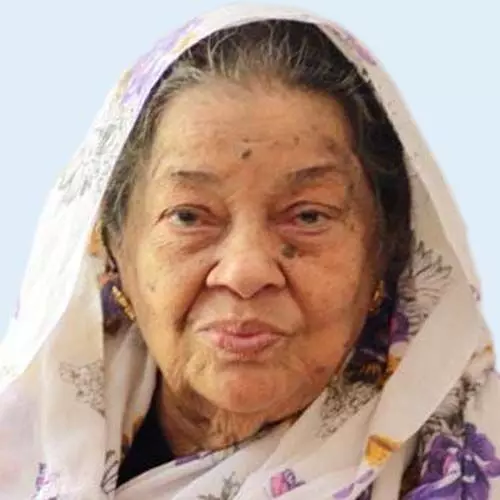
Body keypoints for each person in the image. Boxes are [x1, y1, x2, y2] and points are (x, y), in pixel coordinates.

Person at [0, 4, 498, 499]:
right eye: (188, 216)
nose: (244, 272)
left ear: (387, 252)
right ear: (113, 250)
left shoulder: (460, 467)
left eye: (309, 216)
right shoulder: (23, 450)